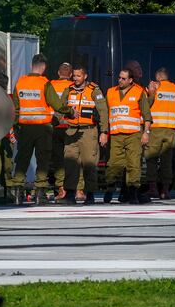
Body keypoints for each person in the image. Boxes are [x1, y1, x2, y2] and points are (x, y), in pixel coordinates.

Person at [8, 56, 67, 205]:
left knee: (22, 159)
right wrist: (71, 112)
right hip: (42, 128)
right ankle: (40, 192)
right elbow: (57, 104)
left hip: (25, 127)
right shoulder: (44, 83)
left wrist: (14, 126)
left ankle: (17, 191)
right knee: (43, 160)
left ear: (32, 65)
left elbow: (15, 108)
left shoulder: (20, 82)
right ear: (44, 67)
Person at [101, 69, 148, 204]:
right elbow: (105, 114)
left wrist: (146, 132)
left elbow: (147, 115)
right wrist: (104, 132)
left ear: (130, 80)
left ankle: (132, 192)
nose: (120, 80)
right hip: (116, 135)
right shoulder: (110, 92)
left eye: (123, 78)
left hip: (133, 135)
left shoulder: (139, 92)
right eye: (119, 78)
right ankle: (109, 188)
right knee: (113, 165)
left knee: (133, 164)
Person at [59, 66, 103, 205]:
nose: (75, 78)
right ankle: (70, 193)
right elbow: (60, 108)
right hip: (71, 131)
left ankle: (89, 193)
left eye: (78, 76)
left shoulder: (94, 91)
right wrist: (53, 122)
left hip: (89, 131)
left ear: (85, 76)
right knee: (70, 162)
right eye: (74, 76)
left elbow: (104, 112)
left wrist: (104, 132)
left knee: (89, 163)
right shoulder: (69, 90)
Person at [144, 67, 175, 200]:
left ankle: (153, 188)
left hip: (156, 128)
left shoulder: (155, 86)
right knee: (167, 161)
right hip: (171, 130)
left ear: (158, 77)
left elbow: (147, 105)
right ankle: (165, 191)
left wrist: (152, 92)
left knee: (152, 159)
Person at [45, 64, 73, 201]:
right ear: (71, 74)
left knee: (58, 160)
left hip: (54, 126)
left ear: (58, 72)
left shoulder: (50, 85)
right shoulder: (74, 86)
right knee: (73, 158)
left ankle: (61, 187)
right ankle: (77, 189)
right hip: (70, 127)